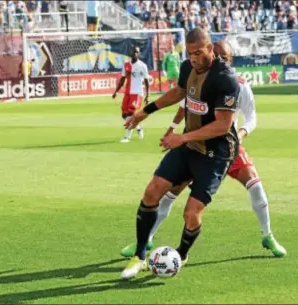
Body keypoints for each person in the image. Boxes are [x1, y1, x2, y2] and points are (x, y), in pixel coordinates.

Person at [120, 41, 286, 259]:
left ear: (230, 60)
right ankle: (146, 239)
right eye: (218, 56)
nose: (221, 60)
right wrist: (171, 129)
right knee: (168, 193)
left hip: (228, 146)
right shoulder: (197, 77)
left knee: (255, 185)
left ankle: (268, 235)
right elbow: (182, 103)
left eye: (225, 57)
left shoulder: (238, 84)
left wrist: (242, 134)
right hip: (195, 144)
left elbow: (251, 117)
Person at [120, 27, 240, 279]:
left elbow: (222, 125)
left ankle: (182, 254)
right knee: (152, 191)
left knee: (191, 213)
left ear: (210, 49)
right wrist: (146, 110)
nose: (193, 58)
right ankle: (139, 256)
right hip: (189, 147)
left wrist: (180, 137)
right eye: (189, 53)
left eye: (198, 53)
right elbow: (178, 93)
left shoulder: (225, 78)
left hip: (216, 154)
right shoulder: (188, 68)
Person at [112, 46, 150, 143]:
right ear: (130, 53)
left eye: (137, 52)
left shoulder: (142, 66)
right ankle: (139, 127)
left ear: (139, 54)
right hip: (128, 93)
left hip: (137, 93)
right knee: (124, 115)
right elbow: (122, 79)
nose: (135, 54)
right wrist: (116, 91)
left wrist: (147, 95)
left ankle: (127, 137)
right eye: (134, 52)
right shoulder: (126, 65)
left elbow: (146, 81)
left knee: (130, 113)